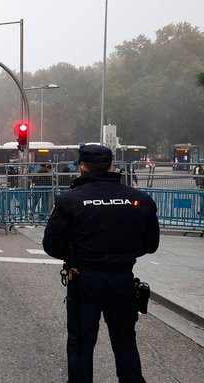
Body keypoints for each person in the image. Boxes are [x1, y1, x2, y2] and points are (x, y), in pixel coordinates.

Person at [42, 144, 159, 383]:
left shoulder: (69, 200)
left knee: (81, 342)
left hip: (85, 277)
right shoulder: (140, 199)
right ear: (111, 166)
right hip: (122, 278)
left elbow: (51, 245)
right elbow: (150, 244)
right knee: (125, 340)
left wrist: (77, 254)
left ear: (83, 167)